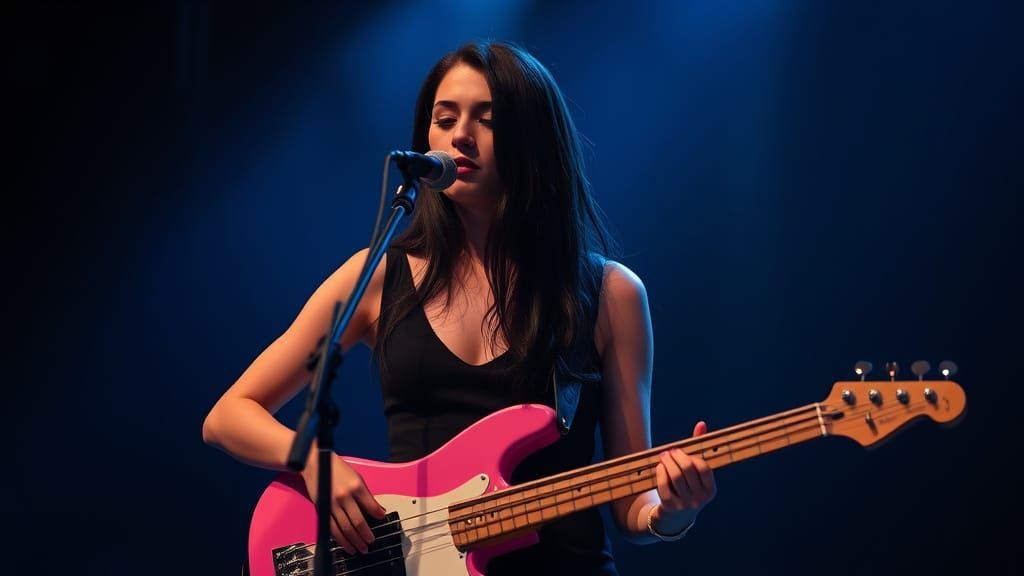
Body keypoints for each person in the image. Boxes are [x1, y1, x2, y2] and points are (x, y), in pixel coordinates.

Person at [203, 40, 716, 575]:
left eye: (487, 120)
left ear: (533, 141)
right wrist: (313, 461)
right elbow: (228, 416)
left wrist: (676, 510)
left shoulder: (610, 293)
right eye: (444, 119)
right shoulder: (377, 277)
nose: (459, 136)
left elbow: (632, 501)